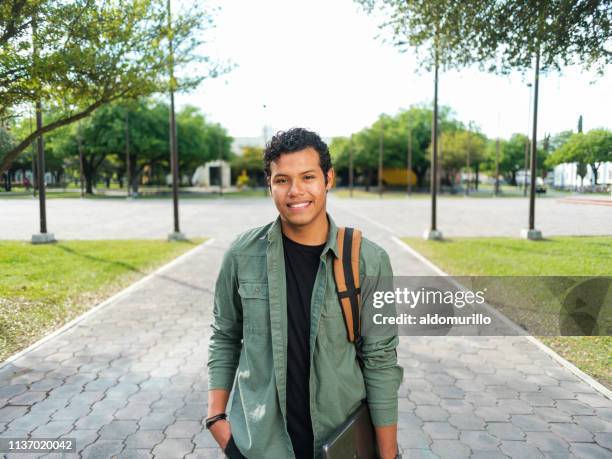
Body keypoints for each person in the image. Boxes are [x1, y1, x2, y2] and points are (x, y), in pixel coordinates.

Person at [207, 128, 403, 459]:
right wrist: (217, 420)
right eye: (282, 180)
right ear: (269, 185)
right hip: (258, 446)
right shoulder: (241, 254)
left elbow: (380, 360)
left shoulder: (368, 260)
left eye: (308, 177)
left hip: (339, 443)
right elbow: (225, 336)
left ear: (328, 179)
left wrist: (389, 457)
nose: (295, 191)